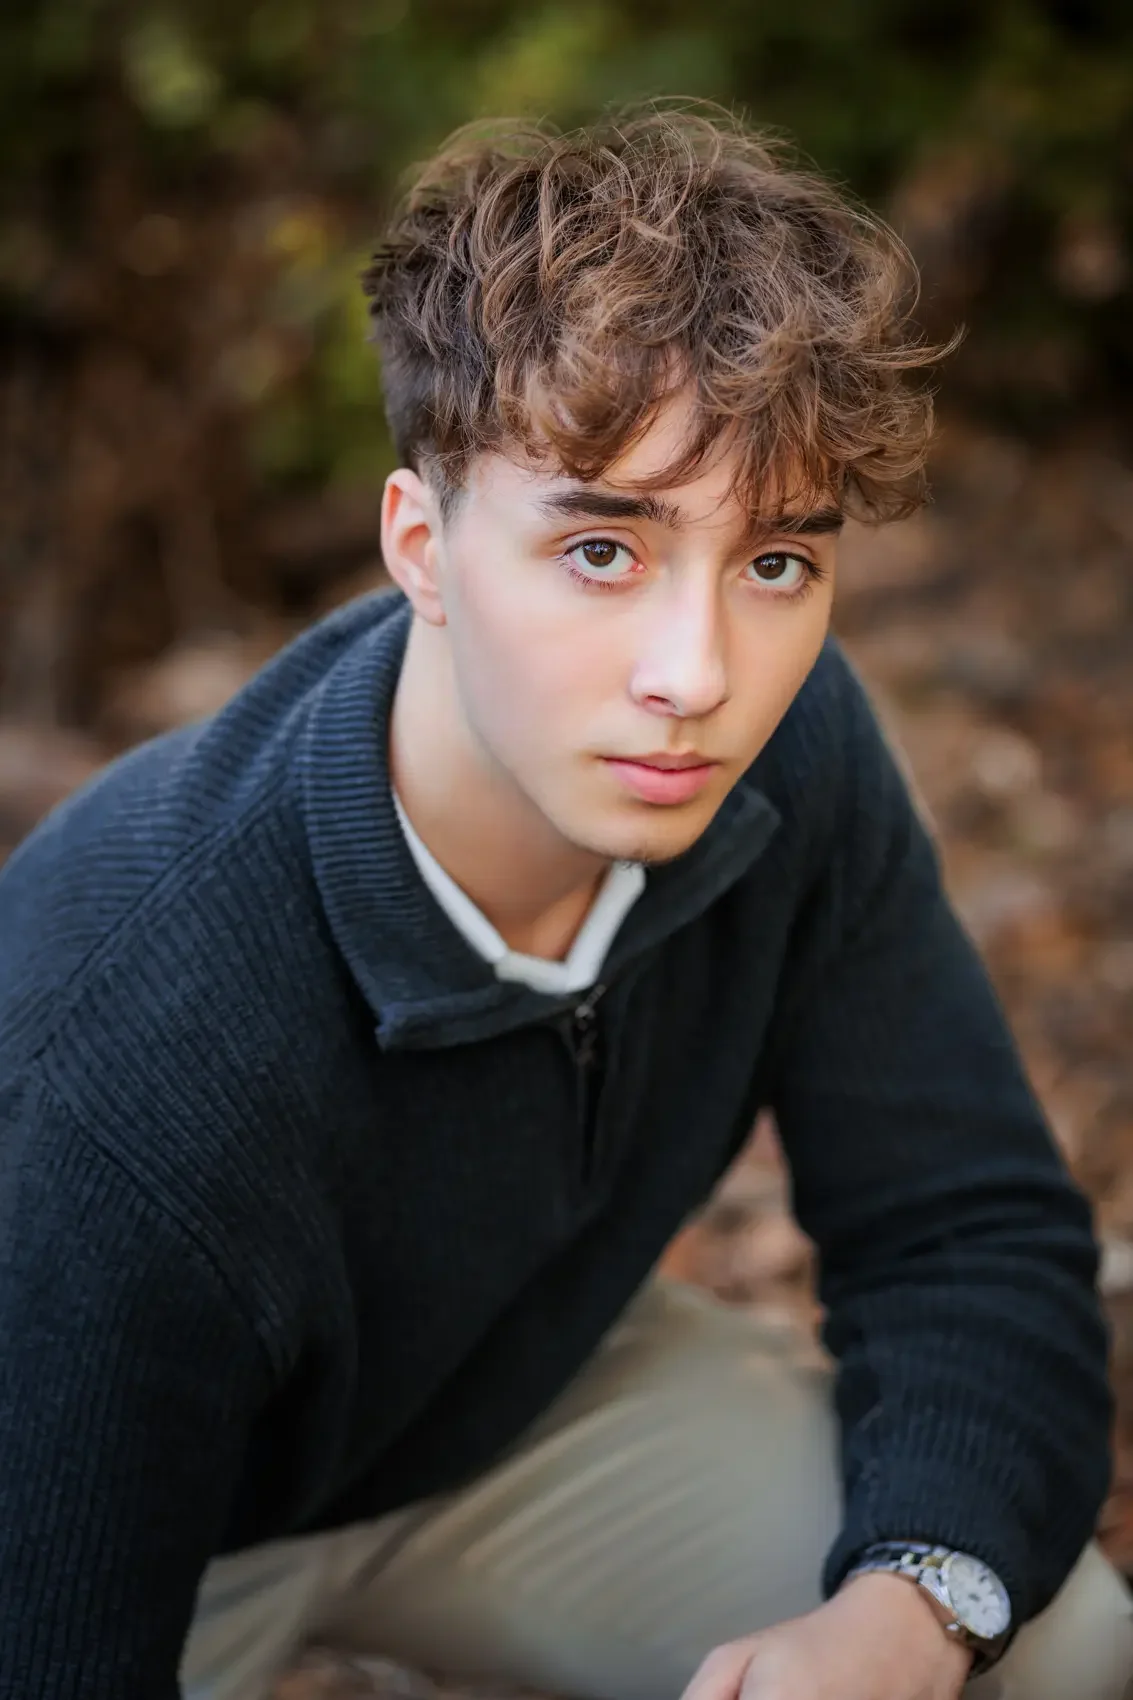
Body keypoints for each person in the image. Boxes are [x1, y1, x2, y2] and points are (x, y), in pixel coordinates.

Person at [0, 104, 1130, 1700]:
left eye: (778, 564)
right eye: (605, 549)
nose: (700, 680)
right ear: (425, 548)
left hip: (497, 1408)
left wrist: (906, 1617)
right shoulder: (125, 1032)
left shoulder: (794, 760)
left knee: (1053, 1637)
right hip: (104, 1527)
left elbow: (967, 1229)